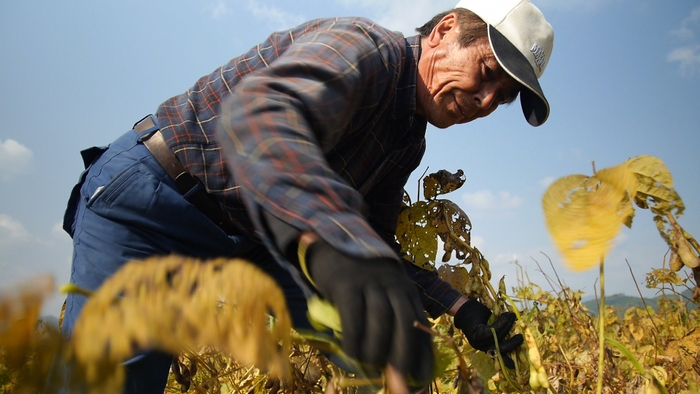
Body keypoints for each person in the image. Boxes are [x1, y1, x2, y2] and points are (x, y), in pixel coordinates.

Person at [60, 0, 554, 392]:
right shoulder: (365, 49)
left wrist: (459, 308)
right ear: (445, 31)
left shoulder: (407, 139)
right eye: (488, 73)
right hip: (156, 202)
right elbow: (263, 120)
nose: (487, 101)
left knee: (389, 337)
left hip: (248, 236)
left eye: (504, 97)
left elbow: (375, 247)